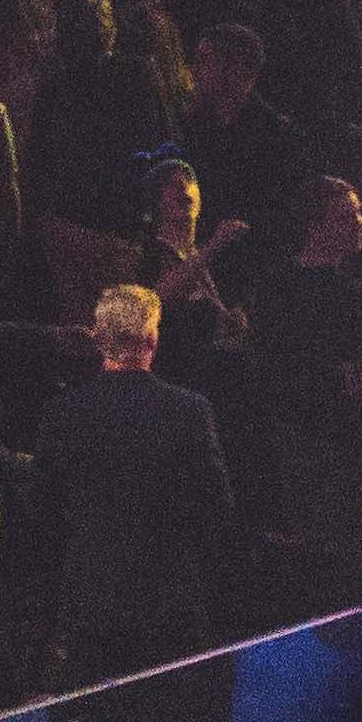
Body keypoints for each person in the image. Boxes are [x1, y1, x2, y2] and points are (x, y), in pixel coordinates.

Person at [34, 281, 235, 685]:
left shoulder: (63, 411)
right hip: (166, 594)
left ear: (98, 338)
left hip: (91, 593)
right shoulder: (188, 411)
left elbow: (44, 507)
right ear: (152, 338)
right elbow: (215, 508)